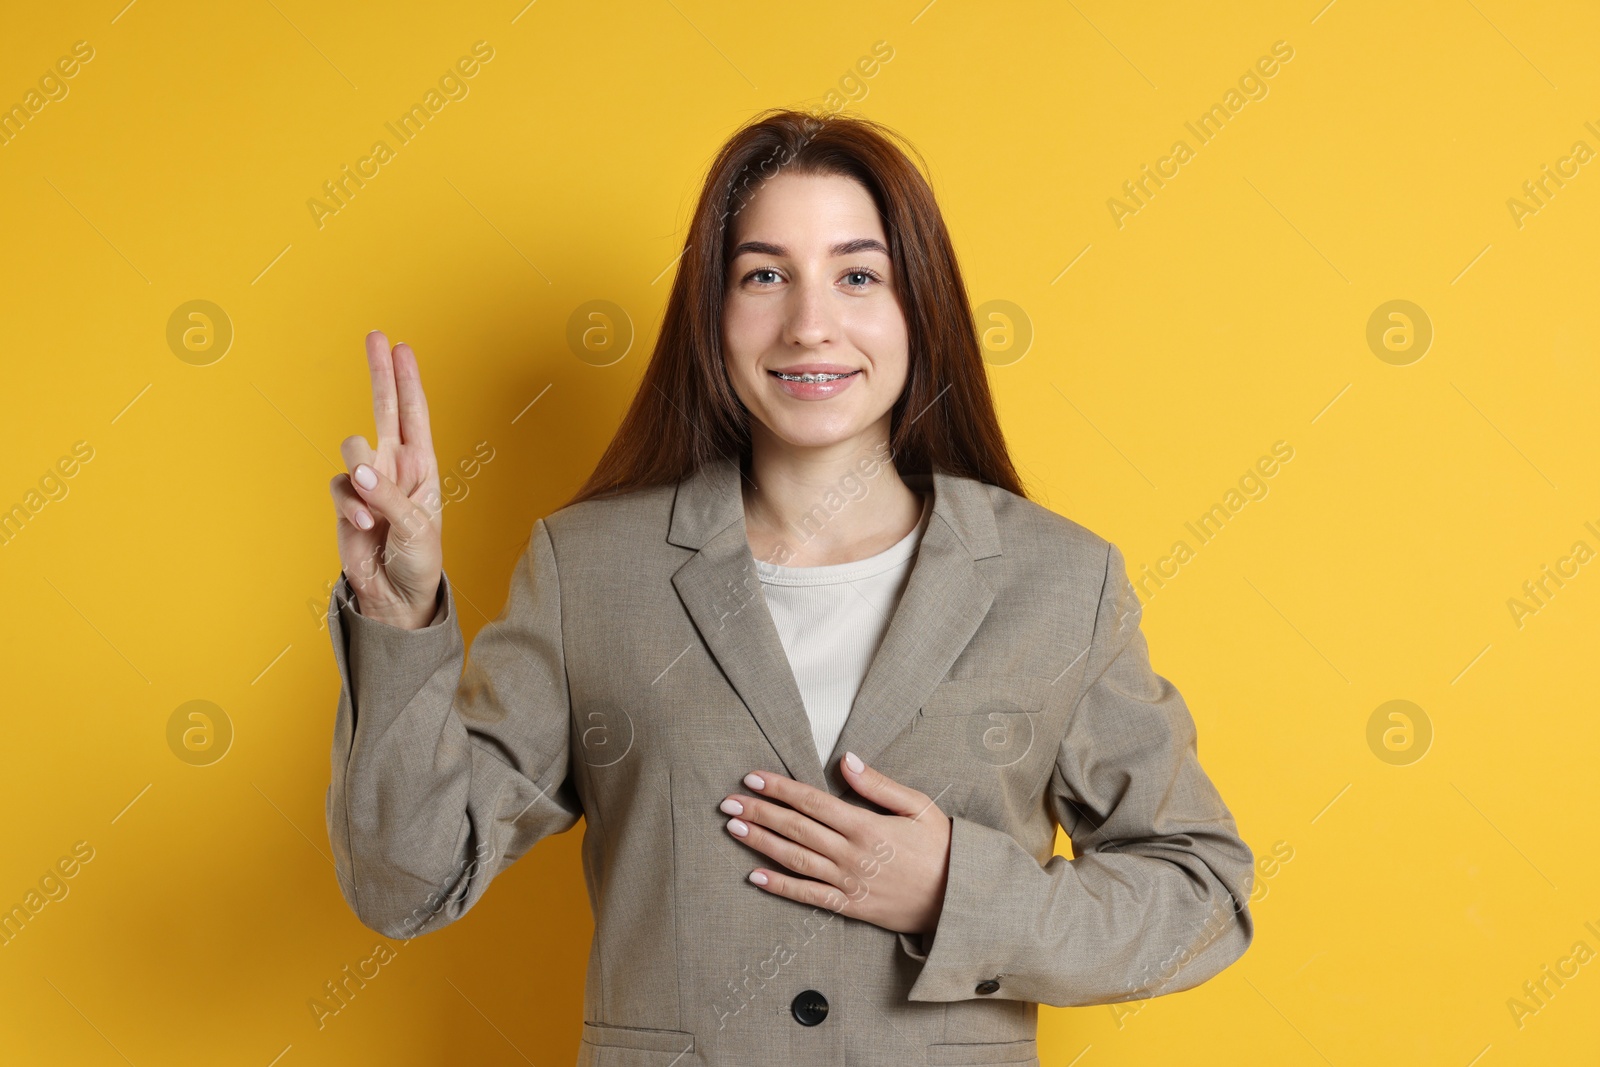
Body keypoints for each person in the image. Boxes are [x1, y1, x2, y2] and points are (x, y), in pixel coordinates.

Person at [324, 107, 1254, 1066]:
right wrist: (399, 615)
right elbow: (408, 883)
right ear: (713, 311)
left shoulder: (1059, 580)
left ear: (917, 307)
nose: (812, 325)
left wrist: (954, 890)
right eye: (764, 275)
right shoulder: (590, 569)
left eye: (858, 275)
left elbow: (1201, 898)